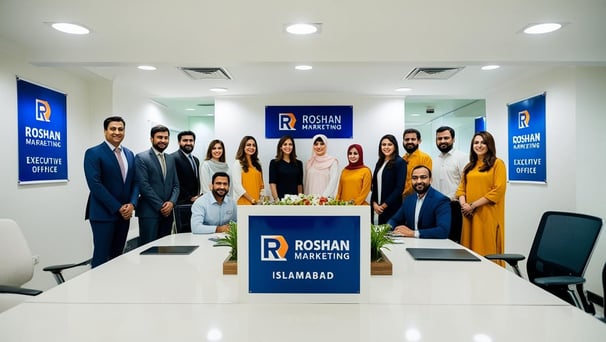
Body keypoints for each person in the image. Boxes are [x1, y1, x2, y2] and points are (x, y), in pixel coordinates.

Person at [84, 116, 139, 268]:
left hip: (125, 214)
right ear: (105, 131)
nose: (117, 132)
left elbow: (135, 182)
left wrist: (132, 204)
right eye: (113, 129)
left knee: (118, 256)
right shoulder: (93, 153)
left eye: (120, 129)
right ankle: (97, 290)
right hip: (103, 214)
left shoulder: (129, 154)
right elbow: (95, 185)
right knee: (101, 257)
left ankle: (115, 289)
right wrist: (118, 207)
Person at [455, 131, 507, 263]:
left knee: (488, 252)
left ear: (489, 144)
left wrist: (472, 205)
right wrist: (465, 205)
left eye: (483, 142)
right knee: (469, 251)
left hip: (487, 215)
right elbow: (461, 189)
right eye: (476, 142)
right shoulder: (469, 166)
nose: (479, 145)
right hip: (469, 215)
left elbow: (498, 190)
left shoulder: (497, 164)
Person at [135, 124, 180, 245]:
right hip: (150, 213)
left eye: (166, 138)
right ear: (151, 139)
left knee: (164, 248)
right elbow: (144, 186)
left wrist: (171, 203)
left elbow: (176, 185)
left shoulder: (170, 158)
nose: (163, 141)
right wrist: (161, 206)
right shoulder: (141, 158)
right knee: (148, 249)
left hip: (168, 213)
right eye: (159, 137)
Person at [386, 165, 451, 238]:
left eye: (423, 177)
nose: (419, 181)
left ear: (430, 180)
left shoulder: (441, 200)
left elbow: (443, 231)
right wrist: (386, 229)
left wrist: (413, 233)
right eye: (415, 178)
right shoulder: (408, 200)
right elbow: (394, 220)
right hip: (411, 243)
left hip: (432, 245)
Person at [432, 126, 468, 243]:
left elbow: (466, 182)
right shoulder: (435, 159)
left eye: (446, 138)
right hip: (436, 206)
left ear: (453, 139)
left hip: (454, 206)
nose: (442, 141)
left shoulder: (462, 157)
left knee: (453, 241)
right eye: (439, 138)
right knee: (438, 240)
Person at [371, 134, 407, 225]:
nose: (386, 147)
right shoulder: (379, 162)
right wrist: (374, 203)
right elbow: (374, 185)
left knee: (389, 236)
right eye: (383, 145)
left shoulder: (400, 162)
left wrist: (383, 206)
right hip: (376, 208)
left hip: (391, 208)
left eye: (389, 144)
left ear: (395, 146)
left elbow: (399, 188)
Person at [170, 131, 201, 206]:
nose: (188, 143)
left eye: (191, 140)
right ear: (179, 142)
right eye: (185, 140)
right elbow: (174, 182)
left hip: (195, 202)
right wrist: (189, 198)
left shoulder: (196, 160)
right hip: (181, 202)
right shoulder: (172, 158)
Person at [269, 135, 303, 201]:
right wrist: (276, 199)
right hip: (280, 201)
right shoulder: (274, 163)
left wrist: (300, 199)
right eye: (285, 144)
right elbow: (272, 183)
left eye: (290, 144)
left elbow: (299, 184)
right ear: (280, 147)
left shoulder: (299, 163)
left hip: (295, 201)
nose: (288, 147)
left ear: (293, 147)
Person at [232, 136, 264, 205]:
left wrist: (260, 200)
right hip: (243, 202)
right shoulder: (238, 163)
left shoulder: (258, 164)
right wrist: (252, 200)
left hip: (256, 203)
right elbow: (237, 186)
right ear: (243, 147)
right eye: (248, 145)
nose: (251, 147)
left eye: (254, 145)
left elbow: (261, 185)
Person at [401, 128, 432, 198]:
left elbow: (424, 181)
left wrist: (402, 192)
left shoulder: (425, 158)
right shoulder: (403, 159)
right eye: (407, 139)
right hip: (402, 199)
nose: (409, 141)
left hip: (418, 197)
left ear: (419, 141)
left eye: (413, 139)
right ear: (403, 141)